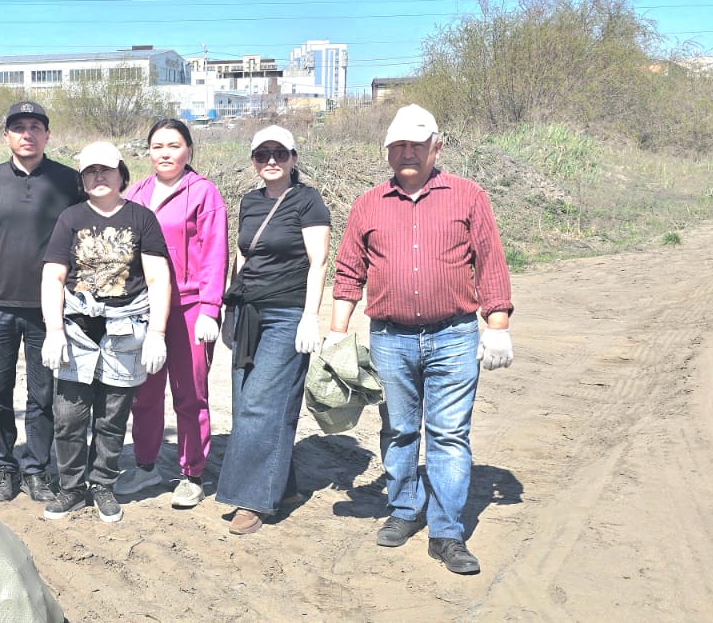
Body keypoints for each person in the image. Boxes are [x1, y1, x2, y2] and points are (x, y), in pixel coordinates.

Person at [328, 104, 515, 575]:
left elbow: (490, 262)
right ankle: (405, 510)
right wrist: (336, 332)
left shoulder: (468, 196)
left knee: (449, 434)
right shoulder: (368, 203)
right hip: (390, 338)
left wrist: (497, 326)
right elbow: (349, 270)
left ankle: (447, 531)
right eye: (398, 146)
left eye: (416, 144)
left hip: (453, 334)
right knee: (399, 429)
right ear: (386, 151)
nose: (406, 153)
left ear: (437, 146)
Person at [0, 100, 83, 503]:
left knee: (43, 396)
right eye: (18, 127)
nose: (27, 134)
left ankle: (36, 469)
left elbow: (88, 231)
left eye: (35, 127)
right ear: (6, 136)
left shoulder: (69, 181)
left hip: (50, 309)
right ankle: (4, 466)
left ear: (47, 134)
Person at [40, 141, 171, 523]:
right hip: (78, 327)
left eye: (106, 170)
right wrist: (53, 330)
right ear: (82, 179)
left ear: (121, 175)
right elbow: (54, 275)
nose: (99, 177)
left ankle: (103, 485)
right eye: (90, 172)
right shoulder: (71, 218)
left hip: (125, 328)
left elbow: (157, 277)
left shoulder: (142, 218)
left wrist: (158, 332)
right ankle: (71, 487)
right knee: (68, 415)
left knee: (112, 416)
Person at [215, 126, 331, 535]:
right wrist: (229, 308)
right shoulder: (249, 201)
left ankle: (252, 500)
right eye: (262, 154)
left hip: (287, 314)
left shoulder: (307, 201)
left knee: (260, 403)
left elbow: (318, 262)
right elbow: (243, 255)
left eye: (279, 154)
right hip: (249, 312)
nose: (270, 161)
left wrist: (310, 317)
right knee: (248, 399)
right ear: (252, 160)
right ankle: (283, 487)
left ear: (294, 158)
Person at [117, 119, 229, 509]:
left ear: (189, 151)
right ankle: (145, 465)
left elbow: (216, 254)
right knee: (144, 393)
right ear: (148, 152)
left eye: (174, 145)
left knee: (189, 393)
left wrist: (210, 309)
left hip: (190, 307)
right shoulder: (136, 192)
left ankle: (191, 473)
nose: (165, 153)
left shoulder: (203, 193)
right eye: (158, 146)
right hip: (145, 307)